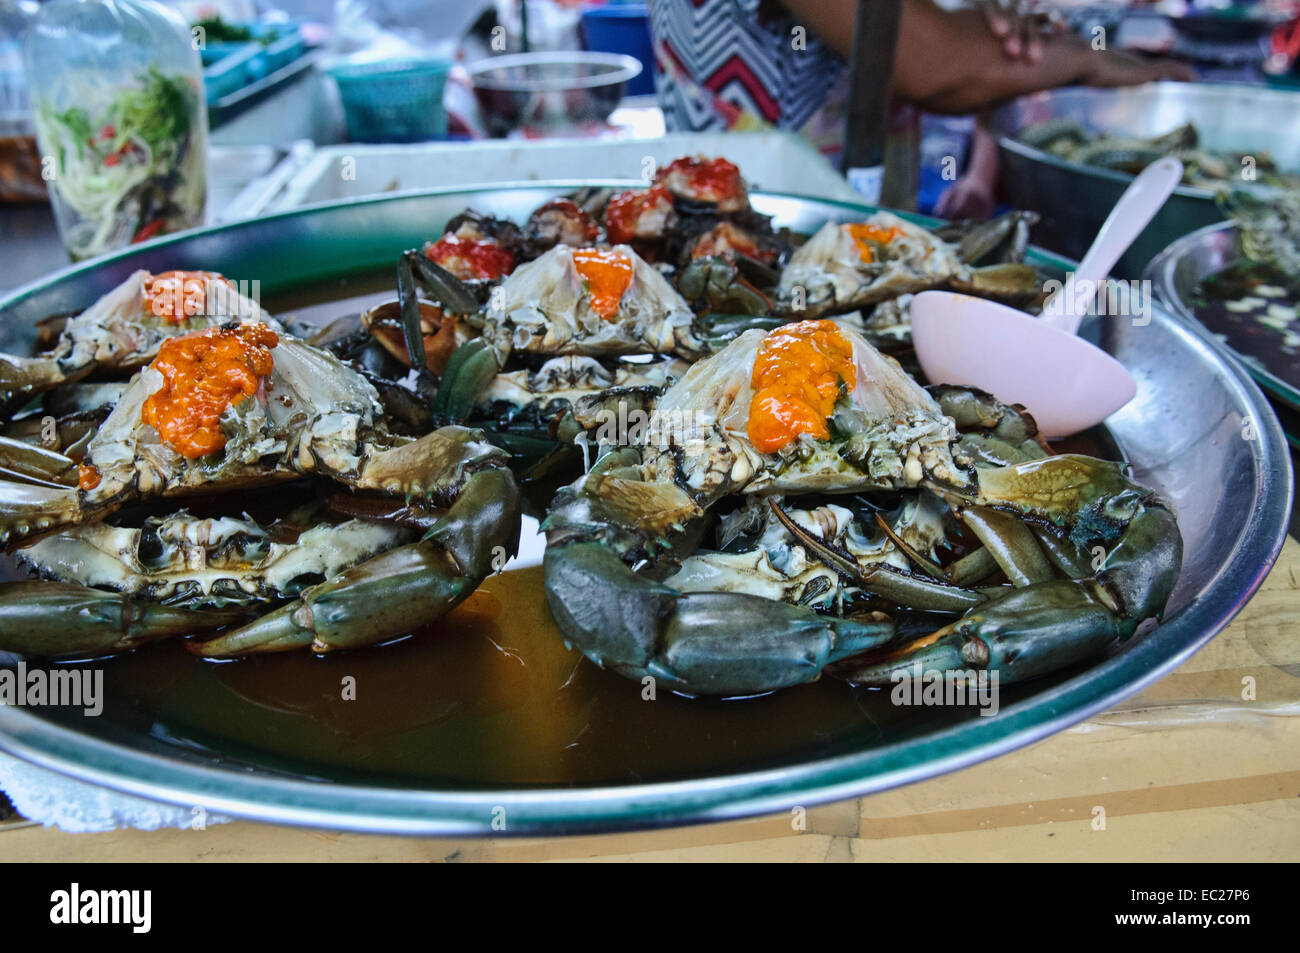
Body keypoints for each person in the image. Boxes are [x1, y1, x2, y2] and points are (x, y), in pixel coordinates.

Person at [646, 0, 1196, 214]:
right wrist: (1089, 59)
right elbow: (931, 66)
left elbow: (963, 37)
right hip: (749, 231)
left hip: (857, 218)